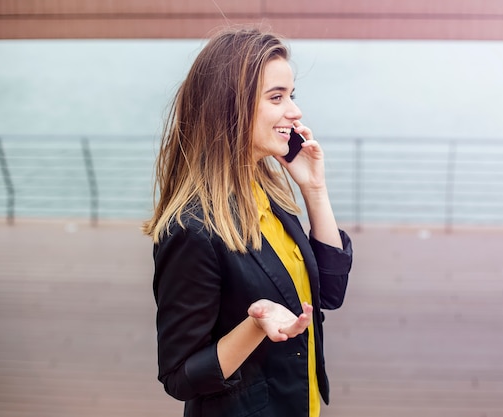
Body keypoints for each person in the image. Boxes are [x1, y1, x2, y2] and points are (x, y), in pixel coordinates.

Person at [142, 26, 353, 417]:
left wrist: (315, 189)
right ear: (231, 107)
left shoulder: (268, 192)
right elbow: (179, 376)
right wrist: (255, 325)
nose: (295, 111)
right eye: (277, 97)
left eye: (292, 95)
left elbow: (330, 294)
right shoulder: (192, 229)